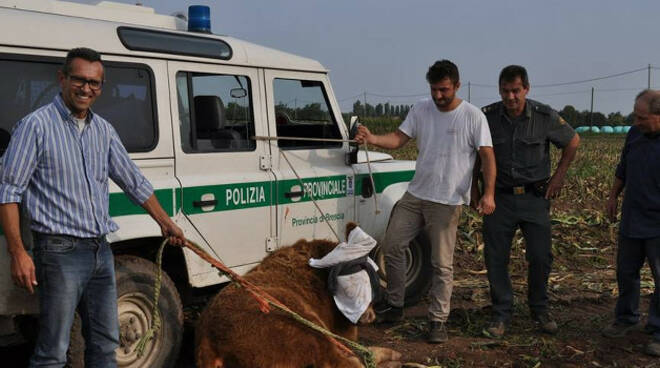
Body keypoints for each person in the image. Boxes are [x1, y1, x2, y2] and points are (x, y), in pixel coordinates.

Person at [0, 47, 186, 367]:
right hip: (59, 252)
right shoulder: (36, 126)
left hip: (100, 251)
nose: (87, 89)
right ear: (62, 78)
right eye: (80, 80)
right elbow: (8, 192)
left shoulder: (103, 130)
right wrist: (18, 252)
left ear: (101, 86)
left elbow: (134, 182)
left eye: (95, 83)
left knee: (105, 344)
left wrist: (165, 222)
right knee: (53, 351)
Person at [354, 59, 496, 343]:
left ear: (456, 85)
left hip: (447, 200)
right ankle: (395, 305)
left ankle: (437, 320)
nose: (438, 96)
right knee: (392, 245)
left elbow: (487, 156)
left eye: (444, 90)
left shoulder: (472, 116)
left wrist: (488, 193)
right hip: (416, 194)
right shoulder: (421, 109)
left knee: (441, 264)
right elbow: (397, 138)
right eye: (434, 90)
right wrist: (371, 138)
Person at [476, 65, 579, 338]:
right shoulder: (486, 117)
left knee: (540, 255)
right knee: (496, 257)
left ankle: (540, 309)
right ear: (499, 91)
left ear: (526, 89)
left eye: (516, 91)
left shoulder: (544, 116)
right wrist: (477, 190)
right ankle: (501, 313)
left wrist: (558, 177)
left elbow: (573, 141)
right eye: (505, 91)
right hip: (499, 198)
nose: (510, 97)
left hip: (535, 197)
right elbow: (475, 154)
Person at [602, 89, 660, 356]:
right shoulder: (634, 134)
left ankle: (658, 329)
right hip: (632, 217)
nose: (636, 122)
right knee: (626, 272)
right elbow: (623, 169)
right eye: (636, 116)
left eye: (642, 118)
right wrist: (613, 196)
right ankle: (626, 318)